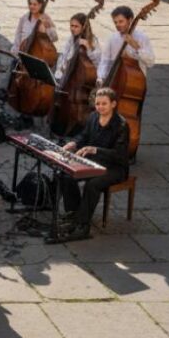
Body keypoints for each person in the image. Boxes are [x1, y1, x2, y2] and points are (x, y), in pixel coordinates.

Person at [58, 88, 131, 240]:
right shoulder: (93, 117)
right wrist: (74, 143)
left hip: (115, 168)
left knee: (93, 184)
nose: (100, 107)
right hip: (94, 162)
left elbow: (120, 155)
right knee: (66, 175)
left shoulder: (122, 125)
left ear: (113, 104)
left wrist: (95, 150)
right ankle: (74, 213)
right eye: (97, 104)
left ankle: (83, 226)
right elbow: (84, 136)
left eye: (104, 104)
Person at [97, 5, 155, 85]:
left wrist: (136, 46)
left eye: (121, 21)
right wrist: (101, 78)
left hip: (135, 82)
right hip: (114, 80)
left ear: (130, 20)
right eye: (115, 22)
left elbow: (150, 62)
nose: (117, 25)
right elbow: (105, 60)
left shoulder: (141, 37)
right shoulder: (112, 38)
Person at [54, 12, 101, 85]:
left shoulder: (93, 40)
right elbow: (63, 56)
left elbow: (98, 63)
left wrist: (88, 48)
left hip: (82, 80)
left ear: (83, 27)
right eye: (71, 26)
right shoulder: (71, 39)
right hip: (67, 76)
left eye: (76, 26)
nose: (72, 29)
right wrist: (61, 68)